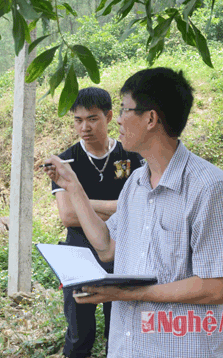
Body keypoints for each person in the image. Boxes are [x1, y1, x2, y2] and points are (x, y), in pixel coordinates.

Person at [44, 67, 223, 358]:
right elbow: (107, 248)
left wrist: (129, 294)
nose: (119, 120)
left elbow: (214, 287)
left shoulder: (209, 187)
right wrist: (73, 187)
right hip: (129, 347)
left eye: (125, 110)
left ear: (151, 118)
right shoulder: (135, 184)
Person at [51, 87, 143, 358]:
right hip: (79, 255)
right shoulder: (65, 161)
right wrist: (117, 208)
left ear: (109, 116)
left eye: (92, 119)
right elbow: (67, 216)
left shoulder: (131, 156)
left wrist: (81, 203)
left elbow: (137, 208)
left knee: (121, 326)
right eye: (78, 120)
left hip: (121, 251)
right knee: (79, 333)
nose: (84, 127)